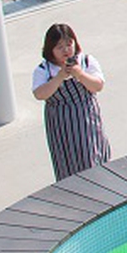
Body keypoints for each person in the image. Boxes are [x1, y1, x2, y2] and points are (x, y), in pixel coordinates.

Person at [32, 24, 111, 181]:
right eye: (60, 47)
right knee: (66, 160)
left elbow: (98, 85)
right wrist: (60, 77)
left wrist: (80, 74)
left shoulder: (86, 61)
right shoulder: (44, 70)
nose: (66, 50)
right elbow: (40, 94)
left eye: (69, 44)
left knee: (91, 153)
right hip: (60, 122)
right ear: (50, 50)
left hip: (86, 117)